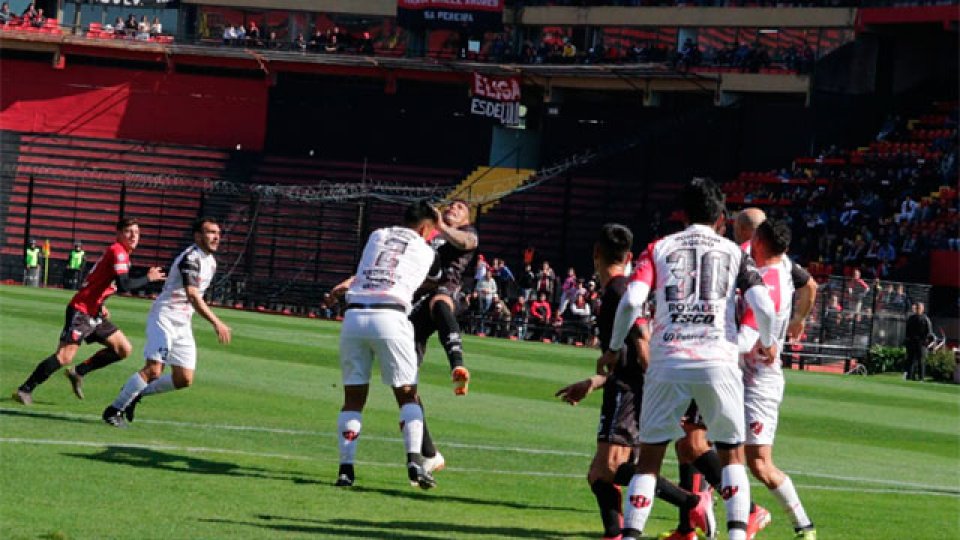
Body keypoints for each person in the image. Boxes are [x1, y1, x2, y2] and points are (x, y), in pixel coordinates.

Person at [599, 178, 778, 540]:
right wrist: (770, 339)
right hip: (718, 359)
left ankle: (632, 534)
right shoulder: (734, 253)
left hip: (668, 360)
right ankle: (738, 535)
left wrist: (615, 346)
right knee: (731, 455)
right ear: (720, 217)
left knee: (649, 458)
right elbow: (762, 303)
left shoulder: (659, 248)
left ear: (683, 213)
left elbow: (633, 300)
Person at [556, 223, 714, 540]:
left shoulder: (619, 291)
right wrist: (593, 382)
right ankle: (616, 533)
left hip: (630, 393)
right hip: (630, 387)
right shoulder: (621, 289)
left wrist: (659, 393)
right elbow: (630, 351)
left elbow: (642, 341)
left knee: (610, 469)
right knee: (601, 473)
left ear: (596, 253)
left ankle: (694, 503)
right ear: (629, 255)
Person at [328, 200, 441, 489]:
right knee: (407, 395)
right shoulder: (426, 249)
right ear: (426, 228)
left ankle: (345, 469)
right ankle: (415, 461)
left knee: (353, 398)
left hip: (354, 316)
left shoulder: (376, 235)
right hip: (390, 315)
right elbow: (435, 280)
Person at [12, 219, 165, 406]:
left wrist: (100, 303)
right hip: (81, 310)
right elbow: (124, 285)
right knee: (64, 356)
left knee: (123, 349)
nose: (134, 236)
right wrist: (148, 278)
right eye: (128, 231)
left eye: (137, 232)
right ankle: (24, 389)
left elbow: (95, 279)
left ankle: (79, 372)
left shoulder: (120, 253)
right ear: (118, 233)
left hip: (94, 311)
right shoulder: (118, 252)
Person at [101, 218, 230, 427]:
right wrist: (217, 322)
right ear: (198, 236)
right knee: (153, 370)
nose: (216, 237)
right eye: (211, 232)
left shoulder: (211, 262)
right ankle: (113, 410)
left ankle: (135, 394)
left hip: (183, 322)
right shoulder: (191, 258)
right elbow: (193, 295)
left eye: (218, 233)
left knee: (184, 379)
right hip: (165, 317)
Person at [738, 219, 818, 539]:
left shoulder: (769, 281)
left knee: (760, 464)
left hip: (758, 380)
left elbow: (748, 338)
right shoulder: (783, 264)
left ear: (758, 240)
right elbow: (810, 285)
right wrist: (798, 319)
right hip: (743, 375)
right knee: (709, 447)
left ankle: (802, 525)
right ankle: (740, 515)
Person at [904, 302, 933, 381]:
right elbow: (907, 331)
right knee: (910, 360)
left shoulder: (925, 319)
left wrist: (926, 342)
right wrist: (908, 340)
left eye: (919, 308)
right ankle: (909, 376)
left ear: (922, 309)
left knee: (921, 361)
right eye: (917, 308)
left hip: (921, 343)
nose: (918, 310)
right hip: (912, 342)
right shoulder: (911, 318)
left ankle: (921, 377)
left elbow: (929, 332)